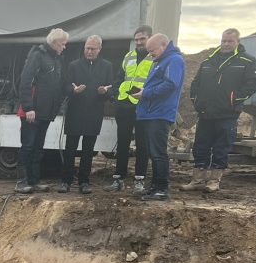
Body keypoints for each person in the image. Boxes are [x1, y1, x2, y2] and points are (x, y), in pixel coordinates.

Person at [181, 28, 256, 193]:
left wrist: (233, 100)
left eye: (230, 41)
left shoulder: (246, 61)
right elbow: (196, 83)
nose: (225, 44)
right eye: (223, 40)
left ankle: (214, 181)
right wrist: (197, 101)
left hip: (227, 114)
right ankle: (197, 179)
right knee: (201, 146)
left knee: (221, 147)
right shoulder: (209, 61)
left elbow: (252, 84)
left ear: (237, 42)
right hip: (206, 112)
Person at [15, 28, 69, 194]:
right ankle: (21, 181)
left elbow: (57, 85)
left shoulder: (57, 60)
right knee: (28, 146)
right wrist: (28, 107)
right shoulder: (37, 55)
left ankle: (34, 180)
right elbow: (25, 81)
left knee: (38, 147)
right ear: (54, 43)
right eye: (62, 44)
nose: (64, 47)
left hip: (46, 112)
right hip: (32, 112)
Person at [134, 33, 185, 201]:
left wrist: (145, 93)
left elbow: (170, 84)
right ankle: (155, 187)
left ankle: (162, 188)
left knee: (158, 153)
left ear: (163, 45)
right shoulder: (161, 62)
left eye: (152, 50)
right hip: (151, 113)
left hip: (159, 113)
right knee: (153, 152)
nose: (150, 54)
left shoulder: (174, 60)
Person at [60, 35, 112, 194]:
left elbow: (111, 89)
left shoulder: (107, 66)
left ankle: (84, 181)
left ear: (99, 49)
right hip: (75, 112)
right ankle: (66, 181)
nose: (89, 51)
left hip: (94, 112)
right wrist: (73, 90)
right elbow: (65, 86)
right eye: (87, 48)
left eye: (92, 49)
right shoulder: (74, 65)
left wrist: (104, 92)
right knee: (70, 149)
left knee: (88, 150)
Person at [108, 25, 154, 193]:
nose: (139, 42)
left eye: (142, 39)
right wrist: (115, 96)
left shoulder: (154, 58)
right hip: (124, 106)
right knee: (122, 143)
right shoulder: (129, 56)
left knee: (143, 144)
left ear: (150, 38)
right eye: (136, 39)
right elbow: (119, 78)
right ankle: (118, 178)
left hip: (143, 107)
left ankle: (139, 181)